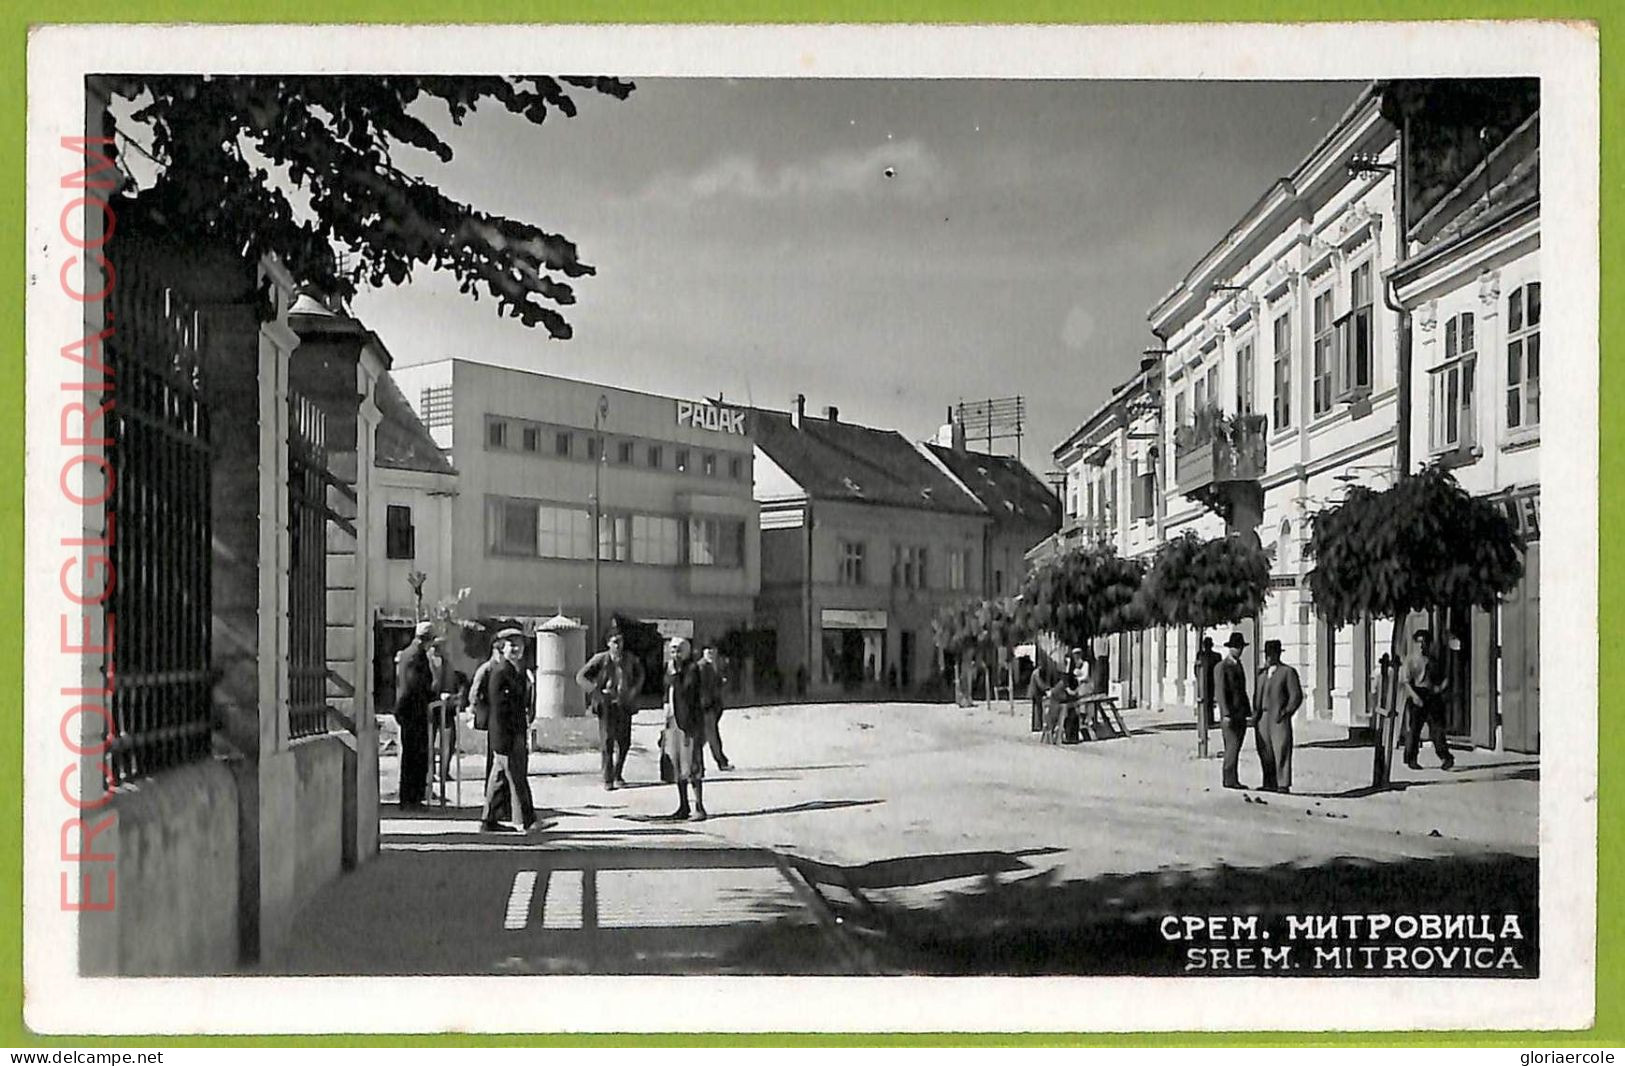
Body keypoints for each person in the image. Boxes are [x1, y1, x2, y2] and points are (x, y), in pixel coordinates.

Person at [479, 628, 537, 833]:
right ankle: (529, 820)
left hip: (509, 733)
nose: (515, 650)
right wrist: (511, 736)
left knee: (498, 778)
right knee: (517, 777)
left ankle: (488, 821)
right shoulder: (501, 671)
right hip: (507, 734)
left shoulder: (515, 670)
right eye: (511, 645)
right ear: (502, 648)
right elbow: (501, 709)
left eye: (519, 646)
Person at [576, 629, 646, 791]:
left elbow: (641, 674)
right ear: (608, 643)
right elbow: (581, 676)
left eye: (620, 641)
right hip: (606, 705)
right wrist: (595, 691)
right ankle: (608, 778)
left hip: (624, 703)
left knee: (624, 742)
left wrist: (634, 690)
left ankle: (618, 773)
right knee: (607, 741)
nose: (618, 645)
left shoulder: (630, 659)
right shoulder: (600, 659)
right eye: (615, 641)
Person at [661, 637, 708, 821]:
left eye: (679, 650)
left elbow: (687, 690)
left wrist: (674, 676)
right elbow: (667, 692)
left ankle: (699, 806)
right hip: (673, 721)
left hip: (689, 723)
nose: (675, 654)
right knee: (677, 764)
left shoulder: (692, 669)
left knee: (692, 766)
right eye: (672, 650)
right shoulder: (670, 669)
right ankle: (683, 805)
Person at [392, 621, 436, 809]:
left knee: (415, 755)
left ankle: (413, 797)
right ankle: (411, 798)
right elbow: (414, 686)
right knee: (415, 756)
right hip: (412, 711)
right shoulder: (415, 656)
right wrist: (431, 696)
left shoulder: (410, 654)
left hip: (411, 710)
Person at [1401, 628, 1455, 772]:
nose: (1421, 646)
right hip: (1417, 694)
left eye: (1424, 643)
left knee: (1437, 729)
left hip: (1432, 696)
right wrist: (1414, 696)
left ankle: (1445, 757)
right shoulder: (1410, 660)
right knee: (1414, 730)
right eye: (1419, 643)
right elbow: (1406, 682)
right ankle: (1411, 758)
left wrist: (1441, 688)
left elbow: (1442, 678)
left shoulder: (1434, 660)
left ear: (1429, 644)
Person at [1254, 639, 1305, 793]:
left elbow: (1296, 696)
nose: (1269, 658)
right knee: (1265, 750)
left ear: (1277, 654)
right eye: (1267, 654)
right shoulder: (1262, 674)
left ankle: (1283, 783)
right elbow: (1257, 695)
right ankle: (1269, 782)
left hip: (1278, 717)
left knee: (1281, 748)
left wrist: (1286, 711)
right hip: (1262, 716)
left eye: (1272, 654)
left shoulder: (1287, 672)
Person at [1215, 631, 1253, 790]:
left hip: (1240, 713)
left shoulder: (1238, 665)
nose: (1239, 650)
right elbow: (1221, 691)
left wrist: (1247, 712)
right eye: (1236, 647)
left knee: (1235, 747)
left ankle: (1233, 778)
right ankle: (1229, 778)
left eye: (1241, 647)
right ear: (1230, 648)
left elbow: (1242, 691)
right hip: (1230, 715)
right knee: (1232, 746)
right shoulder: (1222, 667)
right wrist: (1226, 713)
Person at [697, 644, 734, 771]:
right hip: (707, 706)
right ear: (703, 652)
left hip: (712, 705)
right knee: (712, 736)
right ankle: (721, 761)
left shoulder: (714, 666)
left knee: (703, 737)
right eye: (708, 651)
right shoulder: (702, 666)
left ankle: (697, 763)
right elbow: (702, 688)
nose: (711, 654)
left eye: (713, 651)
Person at [1042, 651, 1083, 745]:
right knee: (1066, 715)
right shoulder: (1065, 678)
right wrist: (1075, 692)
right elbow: (1068, 690)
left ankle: (1072, 737)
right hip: (1058, 701)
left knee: (1073, 714)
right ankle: (1068, 736)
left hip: (1064, 700)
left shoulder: (1068, 676)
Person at [1194, 637, 1222, 730]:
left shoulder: (1215, 656)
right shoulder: (1201, 655)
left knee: (1208, 701)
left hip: (1209, 681)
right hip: (1205, 681)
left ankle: (1209, 720)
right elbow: (1196, 668)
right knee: (1205, 701)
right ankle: (1206, 720)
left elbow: (1218, 669)